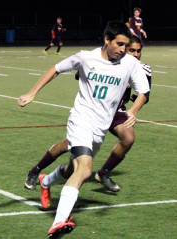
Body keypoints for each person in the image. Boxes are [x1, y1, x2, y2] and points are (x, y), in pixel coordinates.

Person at [18, 22, 150, 238]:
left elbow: (143, 91)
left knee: (72, 170)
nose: (123, 50)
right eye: (119, 44)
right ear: (107, 39)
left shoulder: (130, 64)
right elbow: (55, 69)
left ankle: (46, 180)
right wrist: (32, 93)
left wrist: (133, 110)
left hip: (100, 127)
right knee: (85, 169)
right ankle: (59, 222)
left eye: (126, 46)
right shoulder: (86, 57)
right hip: (81, 120)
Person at [24, 35, 151, 193]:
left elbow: (144, 95)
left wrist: (133, 110)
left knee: (129, 138)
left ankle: (103, 173)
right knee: (66, 146)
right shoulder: (104, 61)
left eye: (139, 51)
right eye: (132, 50)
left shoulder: (143, 69)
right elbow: (82, 74)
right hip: (93, 110)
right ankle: (36, 170)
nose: (136, 54)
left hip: (117, 112)